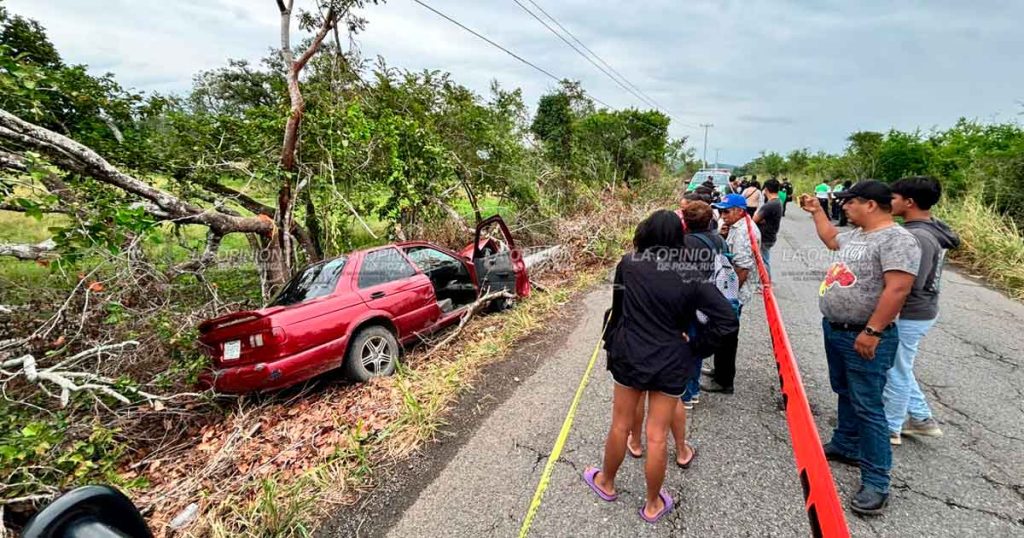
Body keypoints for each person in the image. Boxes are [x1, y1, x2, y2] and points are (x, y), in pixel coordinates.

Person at [588, 210, 737, 523]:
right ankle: (653, 504)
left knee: (620, 425)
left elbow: (618, 308)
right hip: (671, 359)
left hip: (629, 355)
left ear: (646, 233)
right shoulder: (691, 274)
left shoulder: (629, 264)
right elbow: (727, 320)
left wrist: (612, 343)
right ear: (677, 237)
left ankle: (606, 482)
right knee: (657, 436)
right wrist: (695, 348)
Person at [799, 180, 920, 516]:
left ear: (870, 204)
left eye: (849, 202)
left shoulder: (897, 239)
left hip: (864, 334)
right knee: (844, 390)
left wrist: (873, 330)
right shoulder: (856, 235)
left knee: (869, 405)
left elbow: (897, 289)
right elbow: (830, 238)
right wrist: (817, 212)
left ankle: (876, 480)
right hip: (837, 329)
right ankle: (845, 443)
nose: (845, 207)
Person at [884, 176, 960, 446]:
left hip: (911, 311)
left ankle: (890, 427)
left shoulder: (917, 236)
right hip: (923, 308)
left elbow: (907, 283)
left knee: (895, 369)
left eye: (892, 198)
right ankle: (921, 418)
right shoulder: (931, 229)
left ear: (909, 202)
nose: (888, 203)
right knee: (900, 365)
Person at [701, 194, 760, 394]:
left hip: (734, 294)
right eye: (721, 211)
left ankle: (724, 380)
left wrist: (727, 297)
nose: (722, 215)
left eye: (726, 211)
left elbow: (742, 269)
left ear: (739, 211)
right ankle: (719, 370)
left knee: (727, 335)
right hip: (731, 289)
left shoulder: (744, 232)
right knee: (722, 333)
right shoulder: (736, 228)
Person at [754, 179, 783, 277]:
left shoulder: (769, 205)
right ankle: (765, 282)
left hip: (765, 237)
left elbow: (754, 219)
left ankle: (766, 283)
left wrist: (760, 217)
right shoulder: (778, 202)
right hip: (771, 235)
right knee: (764, 259)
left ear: (765, 189)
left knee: (763, 261)